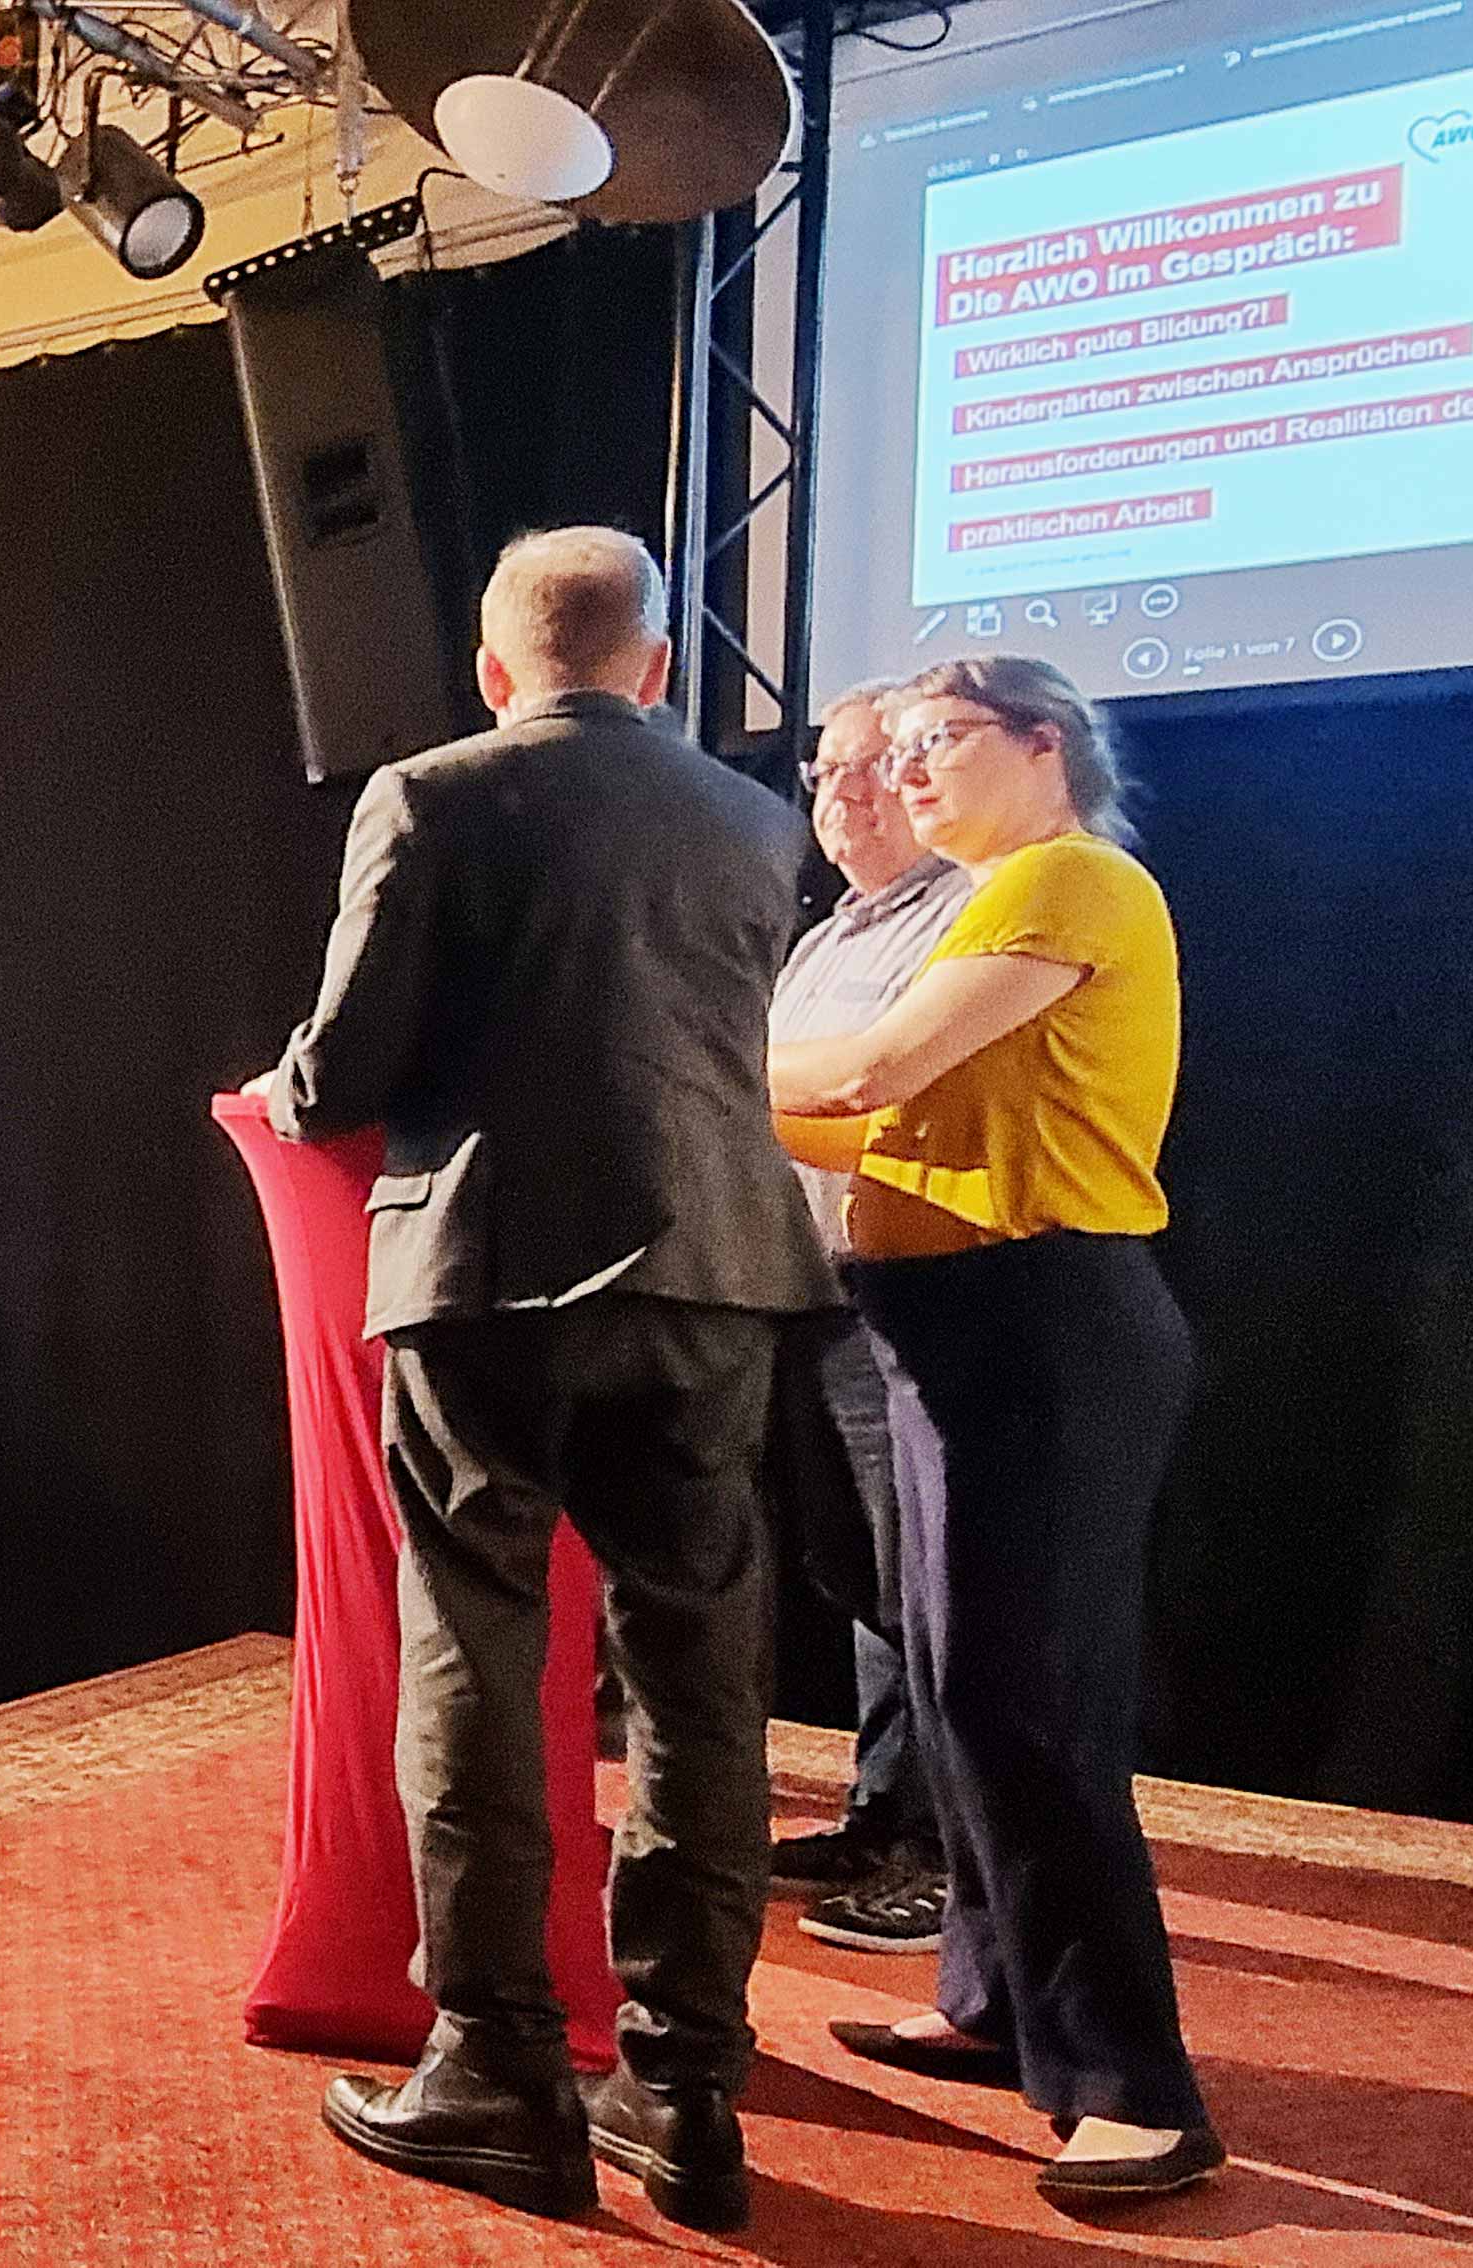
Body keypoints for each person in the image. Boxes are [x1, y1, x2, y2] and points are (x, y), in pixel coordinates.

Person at [258, 527, 834, 2234]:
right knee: (699, 1682)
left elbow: (344, 1069)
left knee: (477, 1653)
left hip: (489, 1276)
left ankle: (498, 2068)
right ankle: (687, 2087)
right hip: (714, 1278)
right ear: (656, 665)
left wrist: (292, 1091)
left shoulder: (429, 796)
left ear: (494, 668)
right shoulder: (755, 819)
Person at [773, 655, 1215, 2201]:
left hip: (1039, 1326)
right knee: (962, 1689)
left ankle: (1135, 2088)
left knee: (1029, 1706)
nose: (902, 771)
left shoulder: (1066, 878)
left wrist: (683, 1056)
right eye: (889, 747)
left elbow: (874, 1070)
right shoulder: (985, 900)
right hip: (948, 1331)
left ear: (1043, 743)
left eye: (935, 740)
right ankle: (995, 2001)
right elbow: (865, 1124)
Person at [765, 685, 977, 1958]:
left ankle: (951, 1864)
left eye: (867, 770)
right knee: (857, 1573)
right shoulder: (828, 937)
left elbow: (875, 1085)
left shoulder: (966, 915)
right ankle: (883, 1816)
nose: (839, 796)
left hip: (905, 1289)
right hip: (804, 1292)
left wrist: (718, 1069)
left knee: (924, 1583)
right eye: (822, 774)